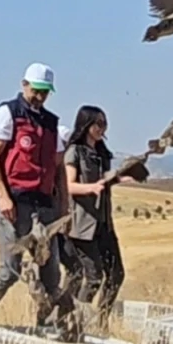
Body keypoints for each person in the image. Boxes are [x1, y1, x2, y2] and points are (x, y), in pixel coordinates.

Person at [0, 63, 67, 323]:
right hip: (14, 202)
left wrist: (64, 206)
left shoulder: (51, 123)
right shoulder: (8, 113)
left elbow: (58, 168)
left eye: (45, 92)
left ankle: (46, 325)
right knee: (10, 269)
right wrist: (2, 197)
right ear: (24, 85)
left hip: (45, 204)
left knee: (51, 273)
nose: (40, 96)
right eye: (36, 90)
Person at [61, 105, 126, 325]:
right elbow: (68, 185)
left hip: (104, 224)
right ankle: (74, 320)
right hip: (82, 225)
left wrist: (118, 178)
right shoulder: (75, 152)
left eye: (104, 123)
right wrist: (91, 188)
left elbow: (104, 180)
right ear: (86, 124)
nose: (102, 128)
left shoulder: (101, 153)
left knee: (116, 274)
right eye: (98, 123)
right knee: (93, 277)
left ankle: (101, 322)